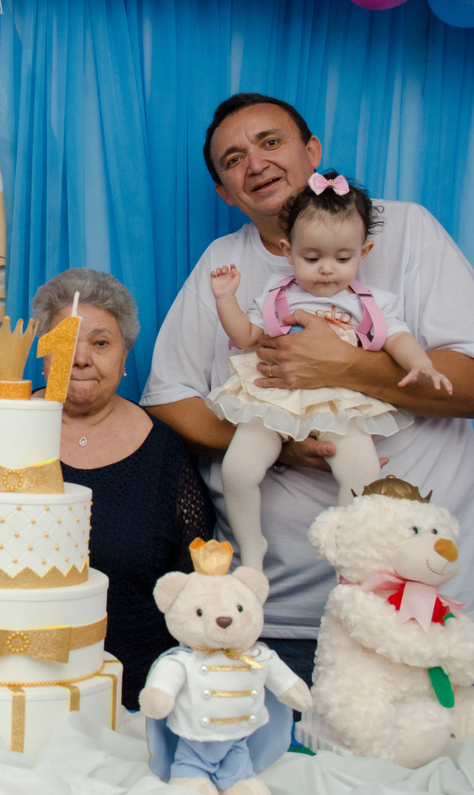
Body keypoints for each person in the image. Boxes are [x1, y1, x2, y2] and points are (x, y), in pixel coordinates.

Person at [142, 93, 474, 684]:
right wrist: (279, 440)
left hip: (416, 610)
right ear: (226, 192)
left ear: (312, 152)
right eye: (233, 159)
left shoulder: (406, 231)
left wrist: (343, 367)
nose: (256, 163)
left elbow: (470, 383)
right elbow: (168, 401)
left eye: (271, 142)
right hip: (266, 619)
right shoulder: (226, 263)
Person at [208, 172, 452, 570]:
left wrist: (420, 362)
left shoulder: (372, 304)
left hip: (339, 403)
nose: (326, 270)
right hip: (275, 397)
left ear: (364, 252)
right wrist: (225, 301)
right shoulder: (276, 295)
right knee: (238, 468)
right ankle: (252, 549)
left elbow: (398, 337)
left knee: (363, 470)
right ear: (288, 251)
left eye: (342, 259)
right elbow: (246, 335)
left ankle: (346, 555)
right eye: (312, 257)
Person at [33, 268, 214, 710]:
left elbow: (194, 583)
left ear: (124, 356)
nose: (81, 359)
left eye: (100, 343)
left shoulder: (165, 452)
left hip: (134, 696)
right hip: (14, 684)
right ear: (42, 352)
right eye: (66, 341)